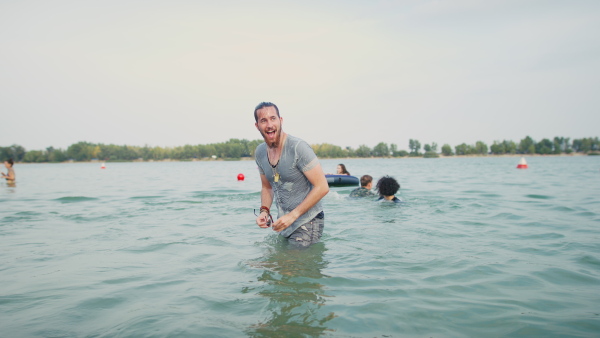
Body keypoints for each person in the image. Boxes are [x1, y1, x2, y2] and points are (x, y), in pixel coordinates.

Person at [253, 102, 329, 247]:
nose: (269, 124)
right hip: (284, 222)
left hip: (308, 220)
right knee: (276, 265)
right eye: (263, 120)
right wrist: (264, 211)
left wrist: (293, 215)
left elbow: (322, 187)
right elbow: (267, 187)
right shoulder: (260, 152)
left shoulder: (298, 148)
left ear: (280, 120)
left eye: (273, 118)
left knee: (289, 266)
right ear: (257, 126)